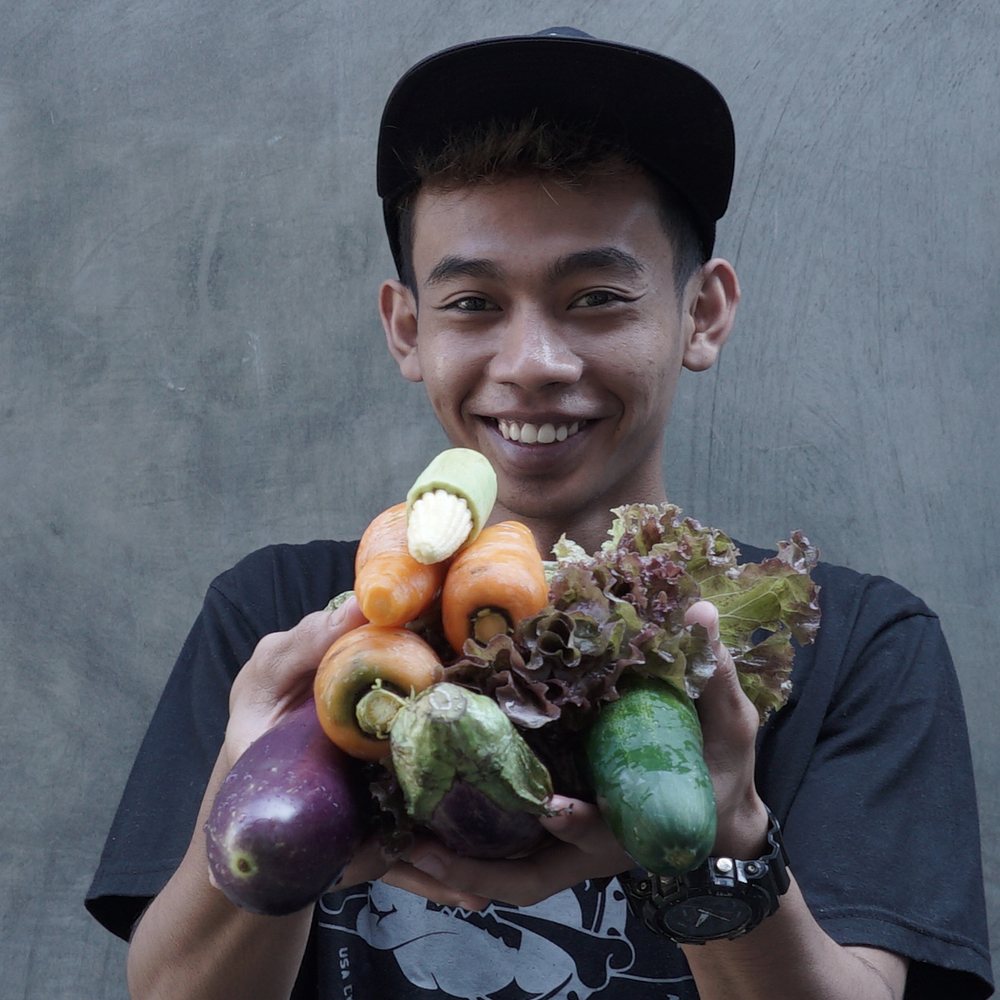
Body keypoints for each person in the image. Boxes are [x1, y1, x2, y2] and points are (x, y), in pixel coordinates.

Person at [86, 28, 994, 1000]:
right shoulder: (282, 620)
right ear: (407, 329)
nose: (532, 365)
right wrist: (258, 795)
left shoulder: (854, 645)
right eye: (473, 304)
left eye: (596, 297)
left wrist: (723, 853)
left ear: (702, 314)